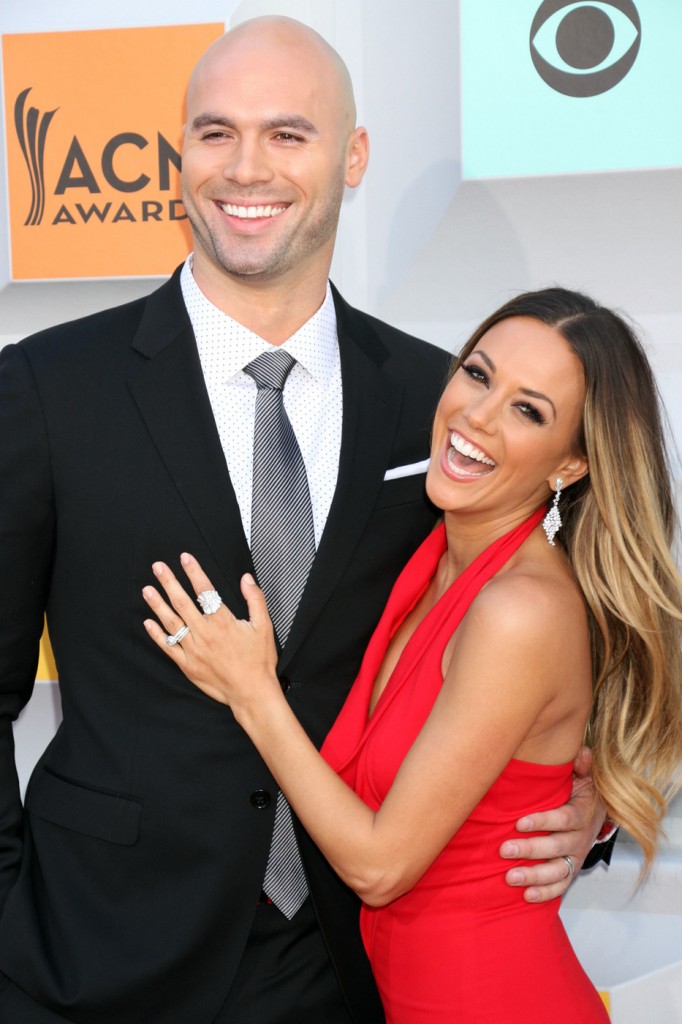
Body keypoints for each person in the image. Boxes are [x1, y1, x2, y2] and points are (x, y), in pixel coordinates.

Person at [0, 18, 608, 1024]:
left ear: (353, 156)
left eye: (288, 134)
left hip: (352, 967)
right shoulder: (48, 390)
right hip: (93, 963)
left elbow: (548, 634)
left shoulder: (442, 400)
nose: (247, 168)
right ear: (178, 153)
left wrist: (576, 801)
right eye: (214, 132)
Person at [145, 287, 682, 1023]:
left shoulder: (519, 610)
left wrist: (251, 692)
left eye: (529, 411)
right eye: (478, 373)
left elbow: (380, 867)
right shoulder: (430, 552)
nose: (477, 417)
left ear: (570, 466)